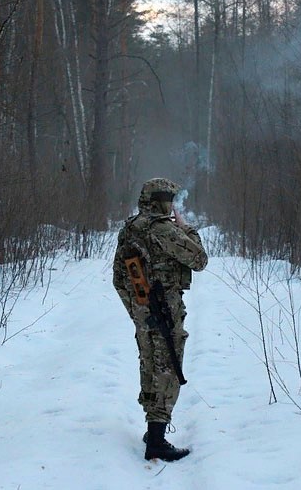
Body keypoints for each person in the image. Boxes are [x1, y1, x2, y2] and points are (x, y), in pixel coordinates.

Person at [112, 178, 208, 461]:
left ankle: (153, 428)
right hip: (164, 310)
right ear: (163, 201)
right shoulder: (164, 230)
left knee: (150, 363)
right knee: (168, 368)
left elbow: (118, 279)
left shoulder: (130, 229)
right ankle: (156, 440)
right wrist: (185, 227)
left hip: (144, 312)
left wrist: (136, 311)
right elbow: (199, 259)